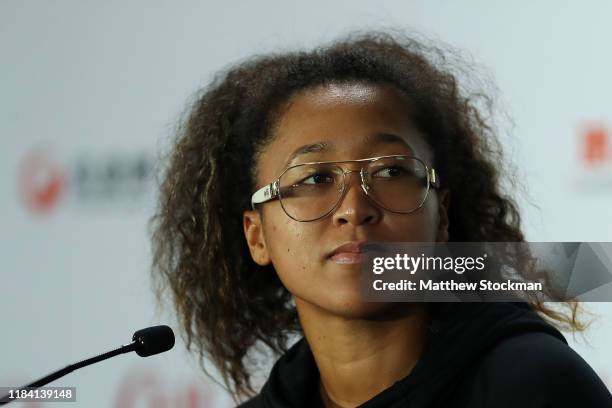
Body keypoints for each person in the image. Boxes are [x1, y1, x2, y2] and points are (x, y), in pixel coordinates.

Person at [150, 32, 612, 407]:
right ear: (257, 237)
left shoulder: (534, 386)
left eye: (390, 171)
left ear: (442, 216)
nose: (354, 208)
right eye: (314, 179)